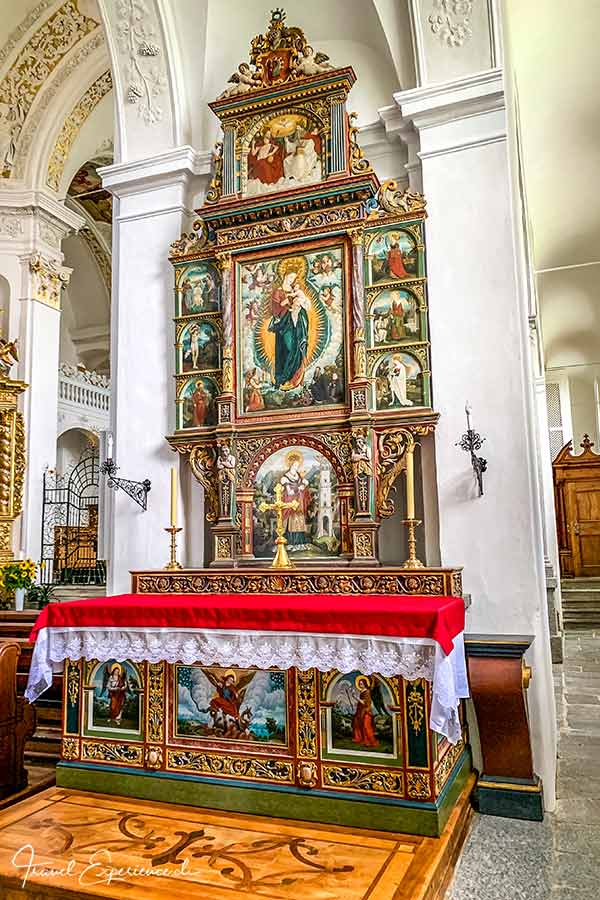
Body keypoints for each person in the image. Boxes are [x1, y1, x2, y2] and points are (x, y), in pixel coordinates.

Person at [268, 268, 310, 390]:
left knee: (296, 347)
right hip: (284, 325)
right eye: (290, 277)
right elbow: (276, 309)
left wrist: (298, 306)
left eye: (293, 279)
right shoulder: (278, 292)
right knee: (287, 348)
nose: (291, 281)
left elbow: (301, 304)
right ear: (285, 276)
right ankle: (282, 378)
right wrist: (287, 302)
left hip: (295, 323)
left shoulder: (294, 291)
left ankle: (293, 378)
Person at [280, 451, 312, 549]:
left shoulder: (298, 475)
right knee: (292, 521)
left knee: (300, 519)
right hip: (290, 502)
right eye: (295, 465)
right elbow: (288, 492)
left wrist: (303, 485)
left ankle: (300, 542)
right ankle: (291, 543)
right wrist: (298, 488)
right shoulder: (285, 477)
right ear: (290, 464)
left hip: (299, 501)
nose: (296, 467)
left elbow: (304, 483)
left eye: (297, 465)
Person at [352, 676, 379, 747]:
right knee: (357, 723)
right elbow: (361, 702)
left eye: (361, 684)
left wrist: (355, 697)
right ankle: (360, 738)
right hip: (360, 710)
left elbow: (365, 703)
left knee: (366, 726)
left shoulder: (367, 692)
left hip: (366, 711)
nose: (360, 685)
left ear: (365, 684)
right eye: (359, 684)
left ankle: (370, 741)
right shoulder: (362, 691)